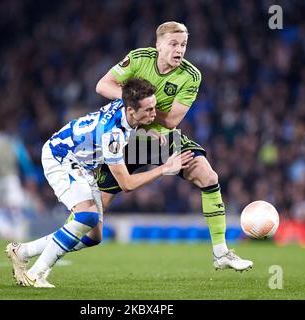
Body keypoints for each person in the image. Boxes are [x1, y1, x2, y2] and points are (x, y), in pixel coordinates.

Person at [95, 21, 253, 271]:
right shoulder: (139, 58)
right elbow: (103, 85)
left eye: (184, 45)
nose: (179, 50)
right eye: (173, 44)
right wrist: (135, 104)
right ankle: (41, 254)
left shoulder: (191, 76)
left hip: (161, 138)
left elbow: (171, 120)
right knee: (94, 209)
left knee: (207, 175)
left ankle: (221, 253)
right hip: (126, 138)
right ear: (158, 45)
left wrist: (144, 109)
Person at [6, 78, 194, 288]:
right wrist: (163, 169)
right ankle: (35, 273)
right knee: (87, 216)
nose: (154, 114)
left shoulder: (125, 107)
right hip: (61, 157)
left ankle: (23, 252)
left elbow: (129, 119)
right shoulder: (112, 135)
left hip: (83, 163)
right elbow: (127, 184)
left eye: (154, 107)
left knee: (94, 236)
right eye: (149, 110)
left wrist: (152, 131)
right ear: (131, 110)